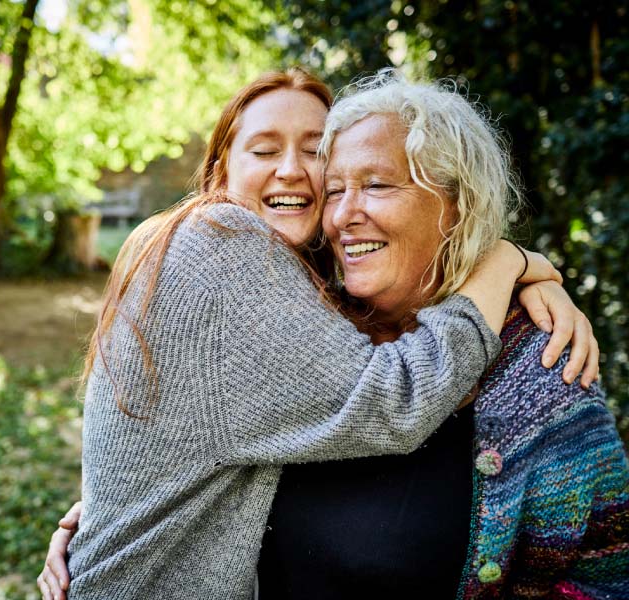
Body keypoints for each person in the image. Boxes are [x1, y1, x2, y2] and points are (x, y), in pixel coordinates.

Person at [36, 68, 602, 600]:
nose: (291, 170)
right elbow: (394, 398)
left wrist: (106, 513)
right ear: (219, 175)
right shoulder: (219, 241)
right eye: (264, 150)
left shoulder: (313, 312)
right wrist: (504, 262)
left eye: (315, 154)